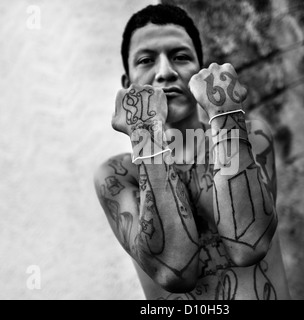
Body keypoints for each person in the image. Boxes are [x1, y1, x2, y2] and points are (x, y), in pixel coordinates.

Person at [94, 4, 290, 300]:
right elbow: (174, 270)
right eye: (146, 60)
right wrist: (146, 134)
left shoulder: (250, 135)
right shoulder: (118, 175)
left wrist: (225, 115)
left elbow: (249, 244)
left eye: (180, 57)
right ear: (128, 86)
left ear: (201, 72)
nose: (165, 72)